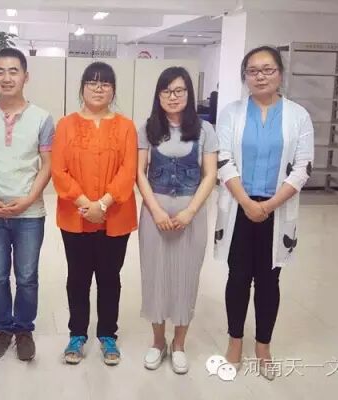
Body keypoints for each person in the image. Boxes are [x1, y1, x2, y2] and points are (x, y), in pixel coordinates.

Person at [214, 46, 314, 380]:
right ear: (245, 76)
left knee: (269, 280)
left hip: (278, 208)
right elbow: (223, 159)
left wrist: (269, 205)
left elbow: (303, 167)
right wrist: (246, 202)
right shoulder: (232, 113)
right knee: (238, 277)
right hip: (238, 207)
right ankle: (235, 342)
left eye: (267, 69)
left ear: (280, 74)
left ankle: (263, 347)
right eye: (253, 71)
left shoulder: (298, 115)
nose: (260, 76)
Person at [0, 48, 54, 361]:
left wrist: (29, 199)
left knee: (27, 277)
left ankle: (24, 329)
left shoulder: (42, 118)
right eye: (0, 71)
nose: (7, 77)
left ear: (25, 76)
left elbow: (47, 164)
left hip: (30, 213)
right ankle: (3, 328)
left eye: (13, 71)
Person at [51, 62, 138, 366]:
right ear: (82, 88)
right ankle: (77, 334)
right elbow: (58, 170)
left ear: (113, 90)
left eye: (105, 83)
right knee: (77, 277)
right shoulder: (66, 125)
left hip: (116, 214)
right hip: (75, 215)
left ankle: (108, 334)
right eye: (92, 82)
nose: (98, 88)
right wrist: (85, 203)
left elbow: (129, 169)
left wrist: (103, 204)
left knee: (109, 277)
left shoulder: (126, 126)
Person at [136, 67, 218, 373]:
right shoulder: (147, 128)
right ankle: (158, 342)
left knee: (186, 278)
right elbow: (139, 173)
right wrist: (156, 210)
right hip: (154, 214)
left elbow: (210, 175)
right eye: (166, 91)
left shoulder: (205, 130)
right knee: (154, 277)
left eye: (179, 90)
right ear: (158, 95)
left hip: (191, 215)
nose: (173, 96)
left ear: (189, 94)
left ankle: (179, 343)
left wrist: (190, 211)